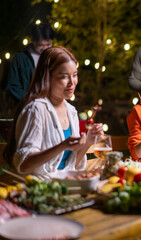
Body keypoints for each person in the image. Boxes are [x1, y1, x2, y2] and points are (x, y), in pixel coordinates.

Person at [3, 46, 103, 180]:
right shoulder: (36, 109)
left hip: (62, 185)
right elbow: (24, 164)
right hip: (35, 188)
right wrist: (61, 146)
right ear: (47, 78)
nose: (72, 83)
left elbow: (69, 165)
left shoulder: (71, 111)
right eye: (64, 77)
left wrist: (89, 141)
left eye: (74, 75)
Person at [6, 23, 54, 103]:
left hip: (51, 105)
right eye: (40, 45)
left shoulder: (55, 56)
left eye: (48, 44)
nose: (45, 48)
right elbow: (13, 86)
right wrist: (28, 101)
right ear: (32, 40)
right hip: (27, 106)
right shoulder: (20, 58)